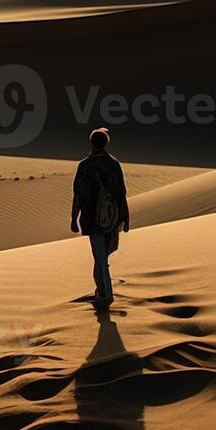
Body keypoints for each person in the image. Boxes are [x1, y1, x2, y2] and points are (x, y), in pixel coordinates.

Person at [70, 128, 130, 303]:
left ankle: (103, 292)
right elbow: (121, 193)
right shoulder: (113, 164)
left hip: (91, 218)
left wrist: (74, 218)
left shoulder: (84, 165)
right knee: (103, 256)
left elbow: (78, 195)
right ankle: (105, 293)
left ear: (91, 142)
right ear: (106, 143)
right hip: (112, 218)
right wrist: (126, 218)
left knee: (100, 256)